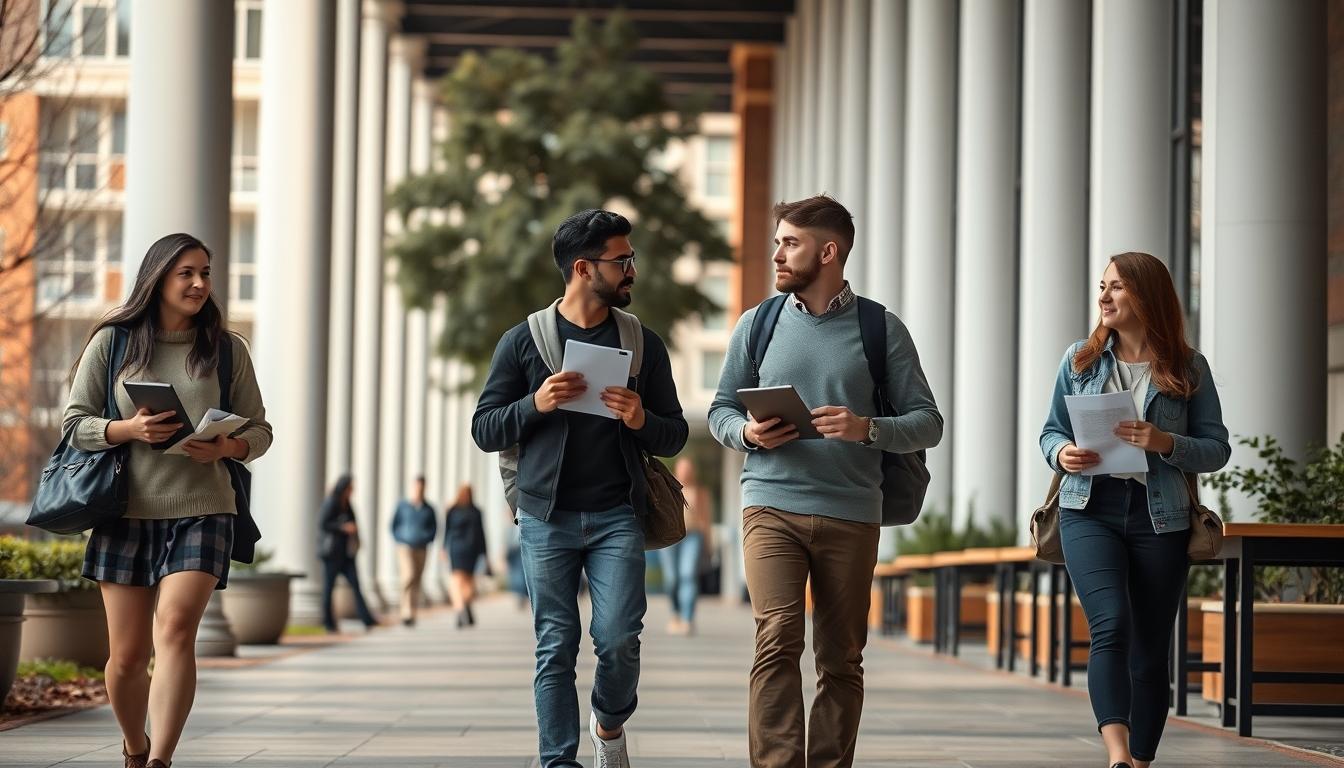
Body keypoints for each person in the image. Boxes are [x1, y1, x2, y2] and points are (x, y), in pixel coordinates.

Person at [708, 196, 943, 768]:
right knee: (777, 637)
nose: (777, 254)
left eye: (790, 243)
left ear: (829, 252)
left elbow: (928, 423)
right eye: (778, 242)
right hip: (771, 504)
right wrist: (748, 434)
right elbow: (720, 411)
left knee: (841, 658)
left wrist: (868, 428)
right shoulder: (757, 324)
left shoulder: (880, 328)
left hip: (852, 511)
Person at [472, 209, 688, 768]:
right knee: (555, 643)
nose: (631, 269)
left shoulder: (643, 344)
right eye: (622, 260)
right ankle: (559, 761)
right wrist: (535, 403)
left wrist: (641, 418)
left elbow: (675, 433)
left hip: (618, 514)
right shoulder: (522, 341)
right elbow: (485, 428)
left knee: (618, 638)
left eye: (631, 258)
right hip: (545, 516)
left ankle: (608, 723)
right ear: (583, 268)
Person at [62, 233, 272, 768]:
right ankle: (136, 748)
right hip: (124, 511)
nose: (200, 283)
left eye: (206, 273)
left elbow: (260, 431)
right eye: (187, 273)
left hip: (205, 507)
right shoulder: (112, 343)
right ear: (157, 279)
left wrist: (227, 447)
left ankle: (161, 760)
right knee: (127, 657)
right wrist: (127, 429)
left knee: (176, 630)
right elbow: (75, 424)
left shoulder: (227, 349)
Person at [1039, 252, 1230, 768]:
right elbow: (1051, 431)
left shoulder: (1188, 367)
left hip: (1159, 515)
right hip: (1089, 507)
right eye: (1103, 286)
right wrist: (1063, 453)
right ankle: (1118, 755)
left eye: (1117, 287)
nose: (1104, 296)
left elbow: (1216, 448)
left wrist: (1166, 442)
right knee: (1111, 625)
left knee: (1150, 648)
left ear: (1147, 296)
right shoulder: (1079, 359)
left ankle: (1140, 761)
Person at [318, 474, 379, 634]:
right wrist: (343, 527)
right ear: (344, 487)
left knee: (356, 586)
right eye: (351, 487)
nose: (352, 490)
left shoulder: (347, 504)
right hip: (332, 554)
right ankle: (328, 623)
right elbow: (323, 524)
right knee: (328, 588)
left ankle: (367, 619)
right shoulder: (331, 502)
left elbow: (354, 523)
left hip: (346, 554)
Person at [657, 457, 712, 636]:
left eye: (688, 468)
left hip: (692, 537)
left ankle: (687, 619)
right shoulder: (667, 487)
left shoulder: (700, 492)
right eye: (683, 468)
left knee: (688, 575)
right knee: (671, 578)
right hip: (670, 537)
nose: (685, 472)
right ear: (676, 470)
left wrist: (708, 543)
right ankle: (675, 614)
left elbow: (706, 519)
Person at [390, 475, 437, 627]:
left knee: (416, 580)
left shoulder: (429, 509)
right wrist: (400, 538)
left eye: (421, 487)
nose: (419, 490)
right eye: (416, 486)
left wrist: (426, 538)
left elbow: (434, 528)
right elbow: (394, 525)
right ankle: (405, 611)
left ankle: (412, 613)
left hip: (421, 548)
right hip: (405, 547)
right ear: (413, 487)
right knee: (408, 576)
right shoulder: (403, 506)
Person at [443, 483, 487, 628]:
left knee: (461, 581)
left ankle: (461, 607)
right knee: (464, 581)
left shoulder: (454, 510)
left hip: (462, 549)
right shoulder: (473, 511)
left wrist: (444, 548)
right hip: (466, 549)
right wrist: (484, 552)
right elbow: (481, 533)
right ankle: (463, 607)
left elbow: (448, 531)